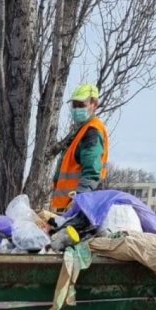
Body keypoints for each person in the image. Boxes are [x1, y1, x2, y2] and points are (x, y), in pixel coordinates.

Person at [50, 83, 109, 214]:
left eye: (81, 105)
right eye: (74, 105)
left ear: (94, 104)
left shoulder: (92, 131)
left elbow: (92, 171)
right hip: (67, 206)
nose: (76, 109)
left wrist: (78, 202)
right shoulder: (82, 130)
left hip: (76, 206)